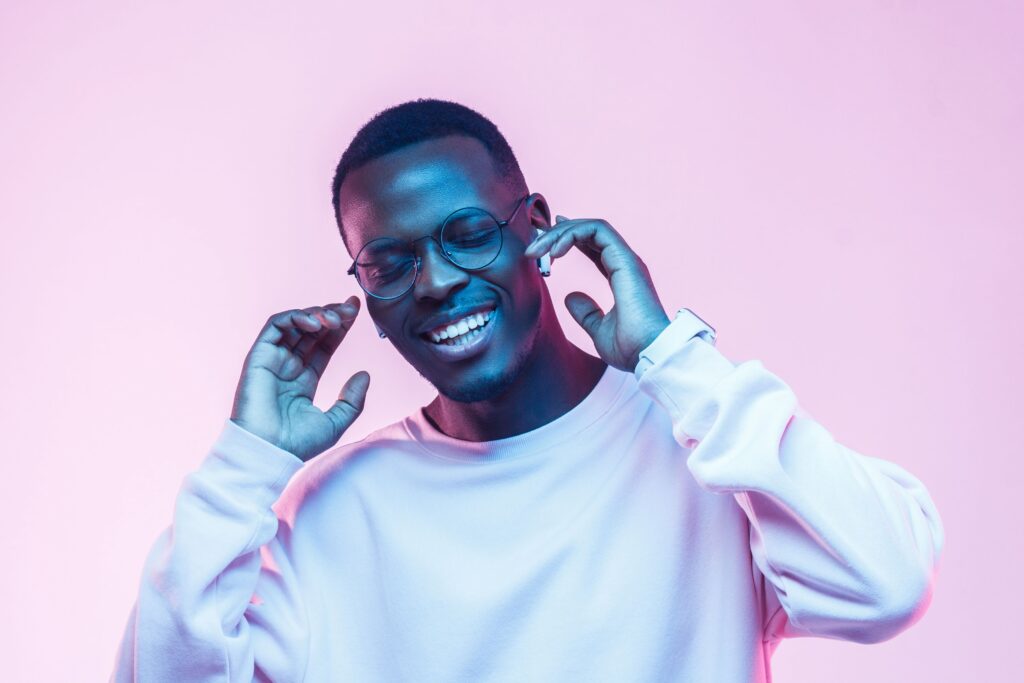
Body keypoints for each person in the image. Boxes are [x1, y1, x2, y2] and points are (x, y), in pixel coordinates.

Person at [110, 99, 944, 682]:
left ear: (538, 226)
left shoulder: (706, 446)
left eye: (468, 234)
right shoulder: (332, 508)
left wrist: (673, 358)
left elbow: (887, 583)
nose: (434, 281)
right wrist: (243, 466)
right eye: (389, 262)